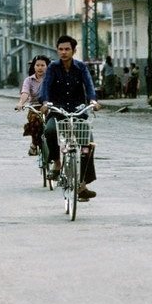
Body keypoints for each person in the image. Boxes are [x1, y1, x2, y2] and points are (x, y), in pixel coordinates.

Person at [40, 35, 101, 199]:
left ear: (73, 50)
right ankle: (57, 163)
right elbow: (46, 85)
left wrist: (93, 100)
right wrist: (45, 102)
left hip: (78, 110)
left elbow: (88, 85)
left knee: (88, 142)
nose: (64, 52)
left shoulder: (81, 67)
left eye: (67, 49)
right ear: (57, 50)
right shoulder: (52, 67)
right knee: (50, 130)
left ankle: (82, 185)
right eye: (60, 49)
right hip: (58, 110)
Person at [14, 54, 49, 156]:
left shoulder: (51, 79)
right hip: (35, 107)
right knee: (35, 122)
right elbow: (25, 93)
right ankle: (34, 144)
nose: (40, 68)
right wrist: (20, 103)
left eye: (43, 65)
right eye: (37, 65)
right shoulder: (29, 80)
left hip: (50, 106)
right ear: (34, 66)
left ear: (47, 66)